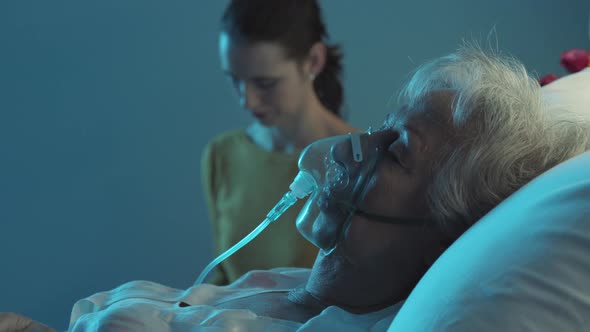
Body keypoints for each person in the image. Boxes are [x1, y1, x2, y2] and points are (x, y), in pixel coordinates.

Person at [19, 45, 590, 331]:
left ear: (445, 231)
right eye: (382, 126)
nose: (350, 149)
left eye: (396, 151)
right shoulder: (298, 288)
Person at [201, 0, 357, 285]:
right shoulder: (222, 155)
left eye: (265, 83)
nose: (246, 100)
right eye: (234, 80)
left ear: (313, 62)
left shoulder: (359, 161)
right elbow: (225, 276)